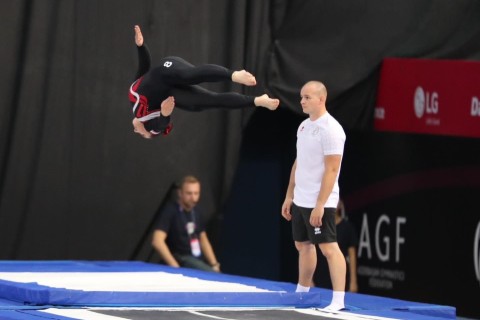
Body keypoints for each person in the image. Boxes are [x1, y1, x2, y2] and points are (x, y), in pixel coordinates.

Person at [129, 25, 280, 139]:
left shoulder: (133, 98)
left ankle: (234, 75)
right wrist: (164, 113)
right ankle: (258, 101)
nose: (137, 131)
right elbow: (161, 125)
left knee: (190, 75)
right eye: (143, 135)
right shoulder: (150, 126)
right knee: (204, 102)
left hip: (166, 70)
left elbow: (144, 67)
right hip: (171, 92)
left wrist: (141, 46)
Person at [281, 81, 347, 311]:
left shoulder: (332, 130)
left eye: (307, 97)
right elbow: (299, 162)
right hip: (301, 198)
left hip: (322, 201)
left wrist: (320, 204)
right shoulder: (303, 127)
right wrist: (290, 194)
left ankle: (338, 300)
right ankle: (302, 292)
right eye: (301, 97)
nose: (302, 101)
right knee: (303, 245)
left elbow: (332, 170)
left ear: (321, 99)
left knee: (329, 248)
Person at [151, 175, 221, 272]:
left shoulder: (197, 212)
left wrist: (214, 264)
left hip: (196, 260)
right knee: (212, 276)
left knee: (217, 276)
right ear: (180, 193)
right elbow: (157, 241)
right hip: (181, 258)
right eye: (189, 193)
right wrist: (175, 267)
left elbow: (203, 240)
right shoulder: (170, 211)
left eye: (196, 193)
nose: (193, 198)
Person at [313, 199, 358, 293]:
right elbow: (309, 250)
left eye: (335, 200)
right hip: (320, 274)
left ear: (340, 205)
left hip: (340, 274)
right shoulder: (318, 225)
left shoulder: (347, 227)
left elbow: (352, 255)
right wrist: (309, 278)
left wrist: (353, 281)